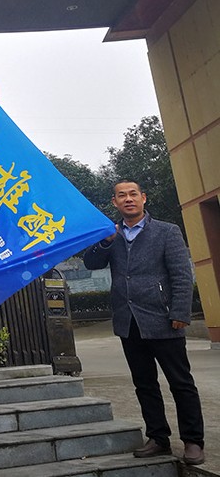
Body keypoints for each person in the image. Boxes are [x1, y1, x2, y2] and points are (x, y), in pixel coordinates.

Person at [83, 180, 205, 466]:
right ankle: (158, 438)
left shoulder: (166, 231)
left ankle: (193, 441)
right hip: (129, 323)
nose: (128, 199)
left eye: (133, 194)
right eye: (121, 196)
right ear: (114, 202)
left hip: (164, 320)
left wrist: (180, 313)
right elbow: (91, 263)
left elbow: (181, 276)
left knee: (181, 383)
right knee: (144, 384)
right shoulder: (111, 236)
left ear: (143, 198)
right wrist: (105, 242)